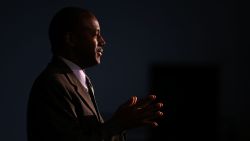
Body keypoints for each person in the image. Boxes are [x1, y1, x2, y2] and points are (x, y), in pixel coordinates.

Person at [27, 6, 164, 141]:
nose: (103, 41)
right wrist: (119, 123)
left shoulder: (79, 81)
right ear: (71, 39)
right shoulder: (53, 83)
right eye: (95, 34)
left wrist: (122, 124)